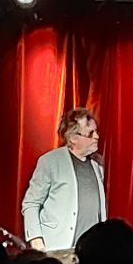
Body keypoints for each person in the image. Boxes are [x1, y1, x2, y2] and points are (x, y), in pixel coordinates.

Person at [22, 107, 106, 252]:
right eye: (90, 133)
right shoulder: (50, 161)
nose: (97, 136)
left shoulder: (97, 164)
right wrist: (36, 240)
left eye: (96, 131)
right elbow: (31, 202)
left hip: (91, 250)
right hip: (59, 247)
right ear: (73, 138)